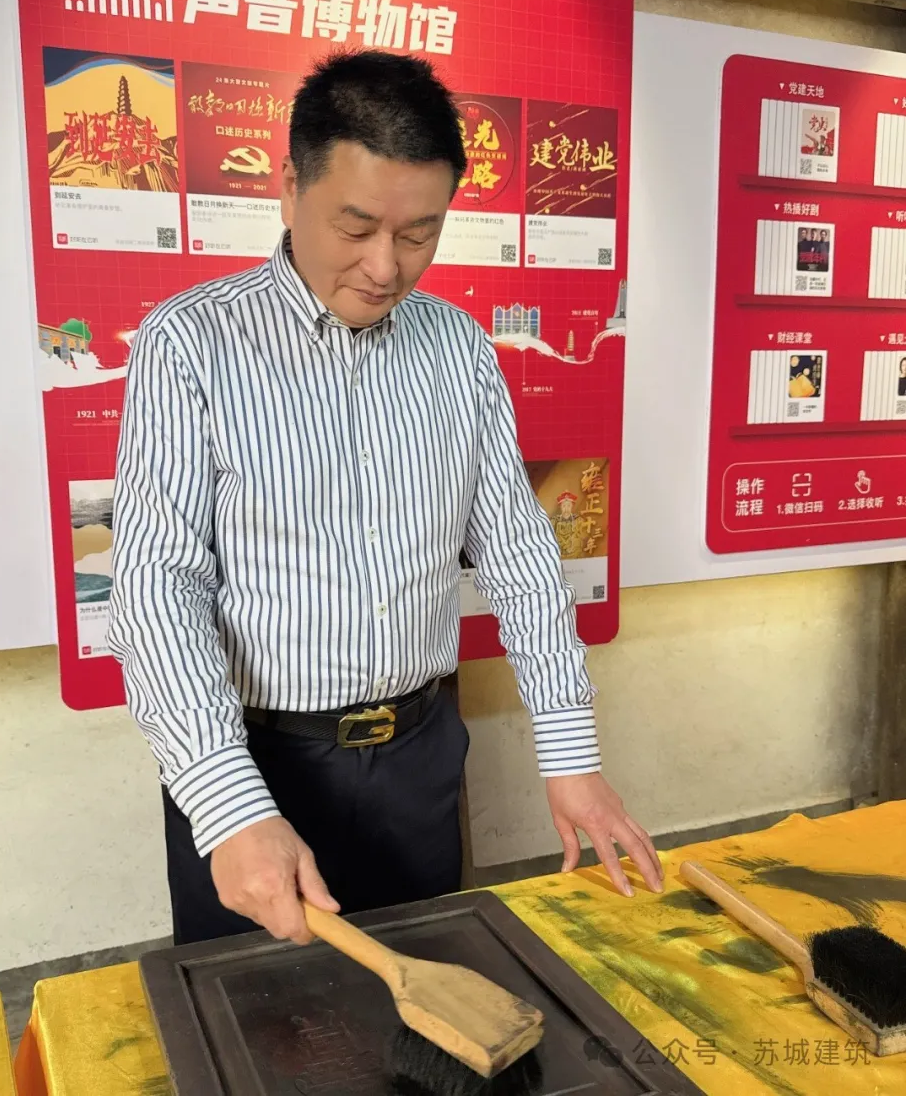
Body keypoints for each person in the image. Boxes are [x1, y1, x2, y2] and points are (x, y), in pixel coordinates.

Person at [108, 49, 663, 948]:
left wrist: (570, 755)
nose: (384, 266)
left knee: (433, 991)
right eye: (356, 225)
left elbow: (519, 554)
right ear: (289, 188)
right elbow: (159, 588)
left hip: (420, 757)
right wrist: (226, 801)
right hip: (258, 766)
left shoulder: (458, 347)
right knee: (265, 1014)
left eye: (418, 234)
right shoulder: (191, 344)